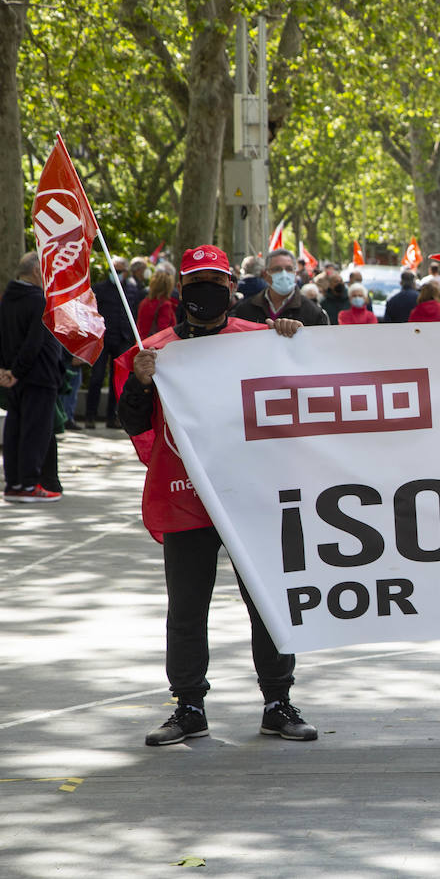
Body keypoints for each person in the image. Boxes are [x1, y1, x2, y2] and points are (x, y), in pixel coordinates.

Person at [115, 244, 317, 746]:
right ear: (182, 289)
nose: (207, 290)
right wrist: (140, 383)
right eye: (196, 281)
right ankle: (188, 706)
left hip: (250, 501)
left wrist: (290, 341)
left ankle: (277, 701)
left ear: (232, 287)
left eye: (216, 280)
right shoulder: (156, 350)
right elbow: (133, 423)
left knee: (267, 604)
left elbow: (303, 395)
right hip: (185, 497)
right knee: (186, 609)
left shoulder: (259, 340)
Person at [1, 252, 64, 502]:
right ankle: (28, 485)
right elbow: (34, 342)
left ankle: (15, 483)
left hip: (14, 377)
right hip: (37, 376)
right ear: (37, 272)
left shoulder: (8, 298)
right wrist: (16, 371)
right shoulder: (39, 300)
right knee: (35, 431)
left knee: (15, 430)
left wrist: (6, 371)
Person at [85, 257, 139, 429]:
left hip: (123, 339)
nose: (114, 274)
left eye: (119, 270)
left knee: (118, 382)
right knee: (97, 378)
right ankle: (90, 417)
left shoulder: (131, 289)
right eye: (112, 270)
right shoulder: (99, 288)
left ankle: (113, 417)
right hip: (102, 339)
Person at [231, 248, 328, 327]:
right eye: (277, 269)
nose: (284, 274)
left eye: (289, 269)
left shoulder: (314, 313)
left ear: (295, 273)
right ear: (265, 274)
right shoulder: (245, 310)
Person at [137, 269, 177, 337]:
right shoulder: (165, 305)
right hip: (156, 345)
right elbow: (164, 330)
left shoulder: (144, 302)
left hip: (142, 342)